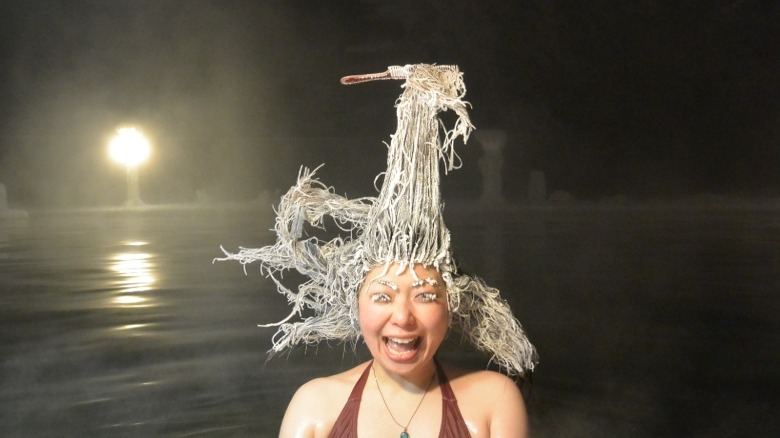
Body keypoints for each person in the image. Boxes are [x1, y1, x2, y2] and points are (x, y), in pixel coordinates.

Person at [217, 64, 537, 437]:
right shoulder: (317, 408)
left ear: (453, 305)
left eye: (426, 295)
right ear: (355, 305)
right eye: (382, 296)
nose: (403, 317)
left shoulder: (491, 400)